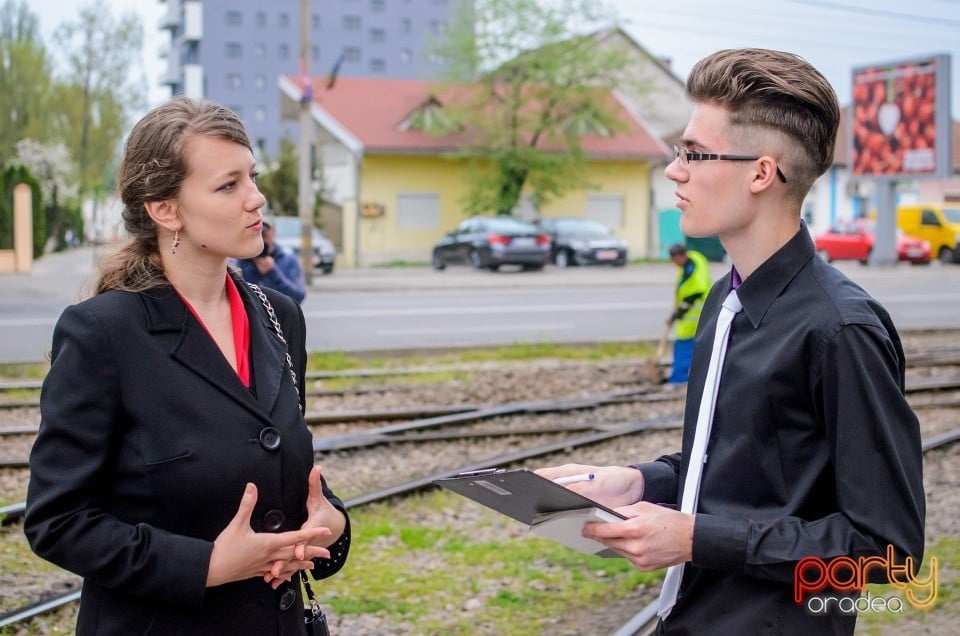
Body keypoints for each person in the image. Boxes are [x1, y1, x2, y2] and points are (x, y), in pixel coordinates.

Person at [538, 48, 924, 635]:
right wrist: (641, 481)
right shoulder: (725, 300)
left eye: (693, 153)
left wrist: (695, 537)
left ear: (761, 173)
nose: (675, 170)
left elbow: (886, 553)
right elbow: (744, 474)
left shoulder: (842, 331)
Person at [25, 97, 350, 635]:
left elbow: (274, 464)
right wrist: (207, 567)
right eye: (229, 185)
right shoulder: (103, 334)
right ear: (164, 209)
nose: (257, 198)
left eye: (253, 176)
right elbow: (58, 521)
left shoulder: (280, 318)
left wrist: (330, 523)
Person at [665, 243, 711, 383]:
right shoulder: (692, 261)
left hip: (692, 317)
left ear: (681, 256)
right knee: (694, 349)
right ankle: (689, 377)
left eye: (675, 260)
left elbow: (692, 296)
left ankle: (679, 379)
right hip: (694, 316)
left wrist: (675, 316)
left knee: (684, 347)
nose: (674, 263)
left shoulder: (692, 271)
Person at [237, 218, 307, 304]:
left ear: (273, 231)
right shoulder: (241, 261)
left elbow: (298, 296)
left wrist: (273, 271)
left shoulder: (288, 260)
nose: (261, 235)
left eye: (264, 232)